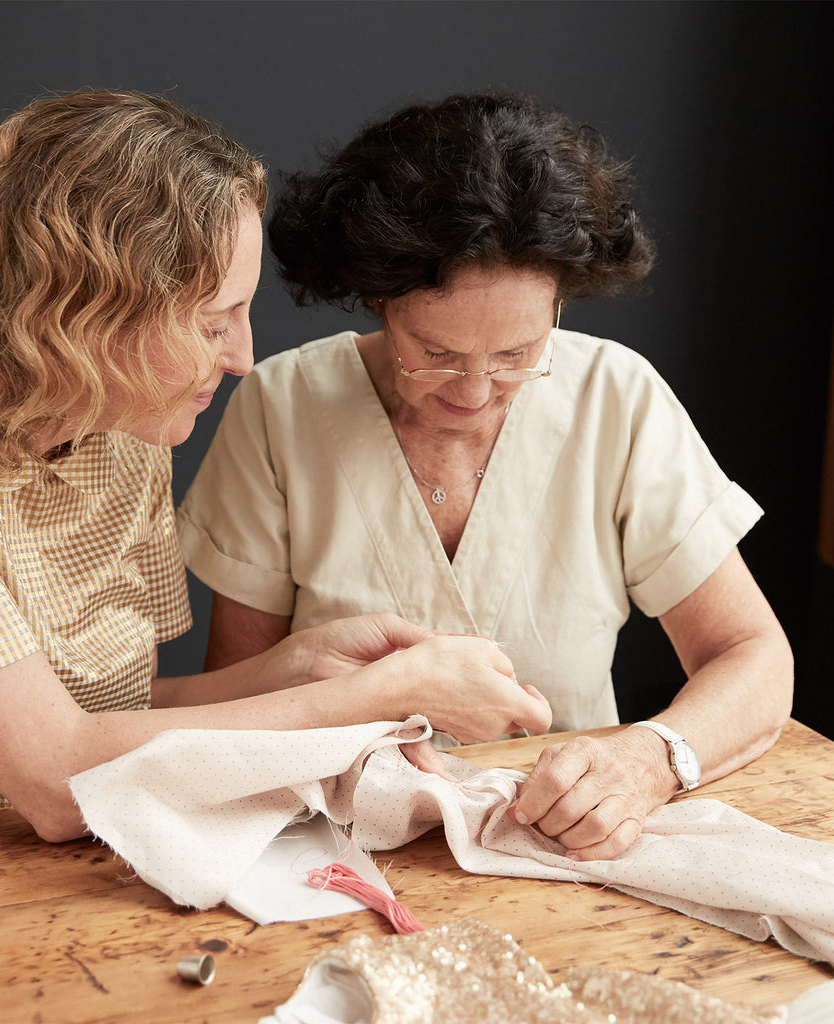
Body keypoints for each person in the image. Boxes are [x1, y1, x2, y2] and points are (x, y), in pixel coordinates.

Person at [0, 90, 552, 840]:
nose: (242, 358)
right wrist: (376, 698)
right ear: (82, 316)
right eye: (211, 323)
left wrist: (296, 669)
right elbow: (57, 776)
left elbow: (112, 720)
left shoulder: (124, 416)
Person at [177, 93, 794, 861]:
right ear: (377, 297)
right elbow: (238, 698)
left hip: (569, 842)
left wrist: (648, 761)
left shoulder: (617, 399)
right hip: (330, 845)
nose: (472, 392)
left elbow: (754, 655)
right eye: (434, 352)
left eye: (514, 356)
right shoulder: (285, 405)